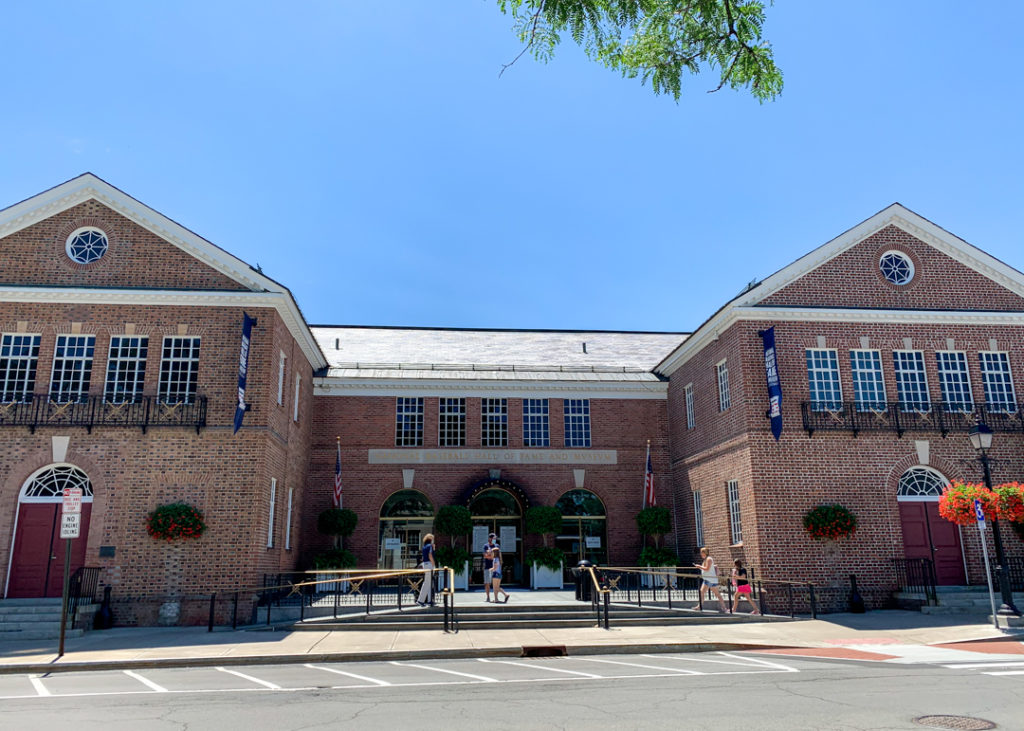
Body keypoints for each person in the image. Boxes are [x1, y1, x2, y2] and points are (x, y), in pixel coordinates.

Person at [693, 547, 726, 612]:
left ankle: (699, 606)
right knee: (707, 593)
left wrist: (699, 566)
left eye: (701, 553)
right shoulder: (707, 559)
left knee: (705, 592)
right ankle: (723, 608)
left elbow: (707, 568)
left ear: (704, 553)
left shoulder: (709, 559)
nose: (701, 554)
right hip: (708, 579)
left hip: (709, 580)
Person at [417, 533, 435, 606]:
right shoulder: (430, 546)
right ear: (430, 539)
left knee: (429, 582)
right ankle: (420, 600)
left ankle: (430, 600)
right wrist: (433, 564)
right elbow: (430, 555)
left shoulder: (424, 547)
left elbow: (423, 557)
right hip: (429, 564)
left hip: (425, 564)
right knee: (427, 582)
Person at [482, 533, 496, 602]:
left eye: (495, 539)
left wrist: (489, 555)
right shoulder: (486, 546)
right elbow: (484, 555)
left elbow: (496, 556)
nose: (494, 540)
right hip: (487, 567)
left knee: (495, 583)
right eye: (493, 538)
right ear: (490, 538)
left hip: (494, 567)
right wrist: (490, 556)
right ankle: (488, 597)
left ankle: (495, 597)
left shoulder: (496, 546)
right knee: (487, 583)